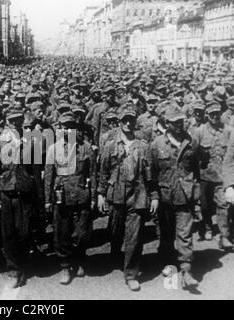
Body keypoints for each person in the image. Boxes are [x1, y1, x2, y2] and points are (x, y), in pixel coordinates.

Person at [97, 107, 158, 292]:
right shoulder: (110, 145)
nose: (128, 123)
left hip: (137, 195)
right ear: (120, 122)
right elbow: (103, 172)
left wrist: (154, 196)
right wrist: (100, 194)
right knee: (115, 230)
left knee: (134, 236)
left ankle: (131, 273)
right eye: (125, 120)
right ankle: (116, 254)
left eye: (131, 120)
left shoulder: (143, 146)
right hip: (116, 194)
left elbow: (150, 176)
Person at [149, 105, 200, 290]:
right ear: (167, 123)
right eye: (175, 122)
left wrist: (197, 193)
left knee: (185, 234)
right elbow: (151, 174)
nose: (179, 124)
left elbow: (196, 169)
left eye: (181, 121)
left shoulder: (191, 141)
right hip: (164, 197)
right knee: (166, 234)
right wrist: (154, 195)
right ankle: (167, 260)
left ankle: (186, 270)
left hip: (185, 195)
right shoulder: (157, 144)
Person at [0, 106, 43, 288]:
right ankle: (14, 269)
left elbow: (37, 172)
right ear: (7, 122)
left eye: (17, 120)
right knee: (8, 234)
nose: (14, 123)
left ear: (22, 121)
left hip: (25, 193)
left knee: (24, 232)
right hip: (6, 193)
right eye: (11, 120)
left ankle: (23, 264)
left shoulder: (31, 141)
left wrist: (40, 197)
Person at [44, 113, 96, 285]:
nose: (67, 130)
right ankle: (65, 265)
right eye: (64, 127)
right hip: (62, 195)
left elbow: (93, 174)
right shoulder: (53, 149)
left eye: (71, 126)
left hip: (82, 194)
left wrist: (94, 196)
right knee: (62, 232)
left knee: (83, 232)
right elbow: (49, 176)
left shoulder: (86, 147)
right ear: (60, 128)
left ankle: (80, 257)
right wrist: (48, 200)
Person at [193, 102, 233, 248]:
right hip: (204, 175)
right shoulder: (199, 131)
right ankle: (208, 227)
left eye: (217, 114)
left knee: (223, 204)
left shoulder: (228, 131)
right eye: (212, 114)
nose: (215, 117)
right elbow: (192, 153)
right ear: (206, 115)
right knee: (204, 206)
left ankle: (225, 236)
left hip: (221, 175)